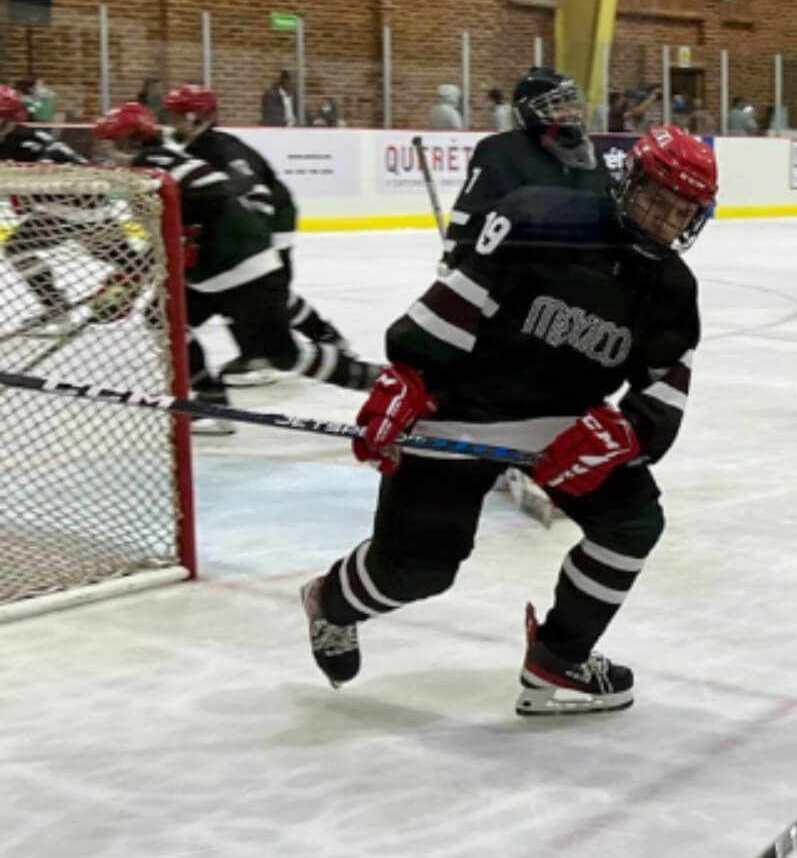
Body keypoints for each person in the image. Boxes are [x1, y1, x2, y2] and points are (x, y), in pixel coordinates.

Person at [299, 126, 715, 715]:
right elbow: (458, 300)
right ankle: (329, 604)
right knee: (416, 573)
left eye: (680, 212)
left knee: (633, 525)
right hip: (460, 412)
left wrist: (625, 433)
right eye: (654, 196)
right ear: (629, 181)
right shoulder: (542, 216)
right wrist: (411, 377)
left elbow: (665, 385)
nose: (661, 219)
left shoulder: (673, 288)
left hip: (566, 426)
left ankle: (560, 657)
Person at [92, 103, 378, 435]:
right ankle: (210, 403)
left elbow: (213, 191)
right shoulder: (151, 166)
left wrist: (188, 235)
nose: (106, 151)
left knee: (284, 356)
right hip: (212, 275)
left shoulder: (152, 164)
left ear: (129, 141)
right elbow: (169, 229)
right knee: (163, 316)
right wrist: (129, 276)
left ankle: (378, 381)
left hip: (241, 270)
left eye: (110, 142)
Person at [162, 84, 354, 383]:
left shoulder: (223, 150)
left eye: (180, 116)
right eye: (171, 116)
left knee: (258, 290)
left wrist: (247, 244)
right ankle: (325, 337)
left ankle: (263, 353)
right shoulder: (197, 148)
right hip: (256, 224)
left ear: (203, 117)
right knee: (263, 292)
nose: (173, 124)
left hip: (273, 222)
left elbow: (257, 196)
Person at [442, 68, 608, 269]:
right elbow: (469, 216)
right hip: (523, 277)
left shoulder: (591, 154)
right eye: (555, 105)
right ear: (528, 113)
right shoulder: (501, 152)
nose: (569, 112)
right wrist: (453, 258)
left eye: (570, 103)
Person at [0, 84, 135, 330]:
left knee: (16, 249)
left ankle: (55, 306)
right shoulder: (21, 136)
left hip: (71, 209)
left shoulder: (15, 142)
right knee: (130, 261)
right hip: (90, 206)